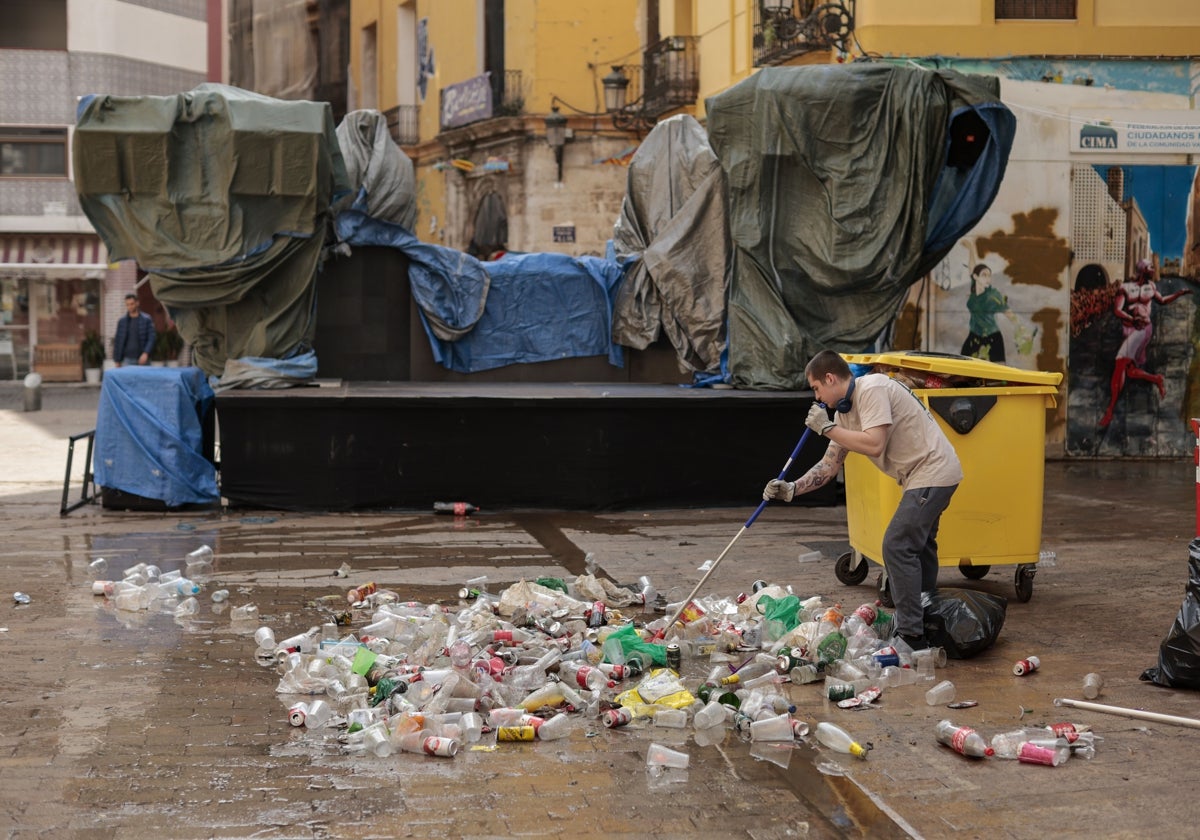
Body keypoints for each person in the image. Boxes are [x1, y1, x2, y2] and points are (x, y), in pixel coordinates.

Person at [762, 350, 963, 650]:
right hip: (925, 476)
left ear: (830, 378)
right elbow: (829, 466)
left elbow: (874, 442)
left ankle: (910, 635)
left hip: (933, 472)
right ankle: (926, 619)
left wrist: (827, 427)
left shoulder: (873, 389)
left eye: (816, 388)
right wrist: (791, 488)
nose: (817, 397)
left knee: (897, 544)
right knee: (919, 547)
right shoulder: (845, 412)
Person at [1099, 259, 1191, 428]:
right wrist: (1131, 319)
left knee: (1120, 363)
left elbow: (1162, 300)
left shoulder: (1151, 287)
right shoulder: (1126, 288)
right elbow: (1117, 310)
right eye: (1150, 267)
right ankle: (1156, 379)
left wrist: (1179, 294)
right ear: (1142, 269)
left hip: (1143, 330)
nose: (1153, 269)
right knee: (1130, 370)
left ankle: (1109, 411)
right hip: (1129, 328)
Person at [112, 293, 155, 367]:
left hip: (143, 358)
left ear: (137, 303)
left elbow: (152, 338)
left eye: (132, 304)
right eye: (127, 304)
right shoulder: (122, 321)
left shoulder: (147, 319)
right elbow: (118, 341)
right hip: (127, 360)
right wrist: (117, 360)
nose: (130, 307)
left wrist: (146, 353)